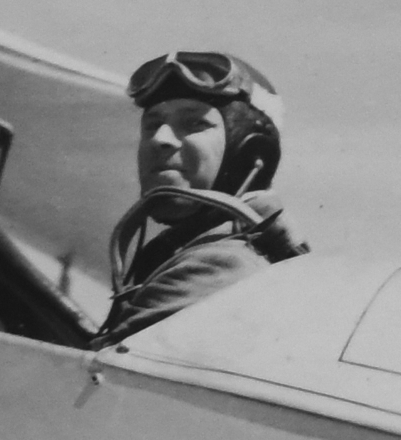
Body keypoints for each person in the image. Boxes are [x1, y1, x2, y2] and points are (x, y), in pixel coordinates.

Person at [93, 51, 309, 348]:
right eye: (152, 124)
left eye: (194, 123)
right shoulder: (183, 254)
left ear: (249, 152)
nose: (160, 138)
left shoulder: (222, 265)